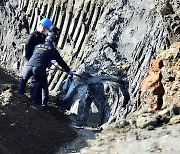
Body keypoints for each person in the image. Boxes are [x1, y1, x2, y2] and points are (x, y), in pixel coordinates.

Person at [18, 34, 74, 110]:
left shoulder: (37, 46)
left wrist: (50, 60)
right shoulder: (52, 49)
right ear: (53, 42)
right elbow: (61, 62)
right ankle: (44, 106)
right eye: (55, 43)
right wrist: (69, 71)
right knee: (44, 87)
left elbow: (40, 55)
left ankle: (19, 97)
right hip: (38, 68)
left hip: (29, 66)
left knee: (23, 81)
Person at [24, 18, 52, 101]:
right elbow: (27, 50)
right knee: (34, 80)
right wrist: (30, 61)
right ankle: (33, 98)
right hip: (32, 61)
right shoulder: (32, 36)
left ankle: (37, 98)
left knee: (39, 80)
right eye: (43, 27)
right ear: (40, 26)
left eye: (46, 28)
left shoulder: (44, 37)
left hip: (41, 63)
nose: (44, 29)